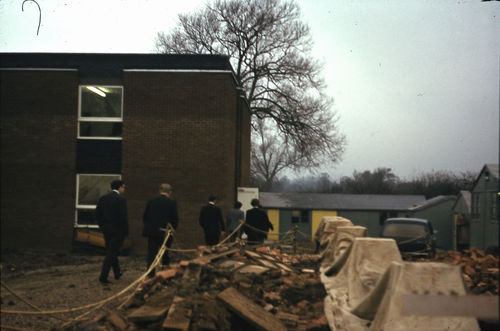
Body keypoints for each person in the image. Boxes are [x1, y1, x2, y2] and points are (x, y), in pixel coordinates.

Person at [95, 179, 128, 284]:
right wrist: (126, 231)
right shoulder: (121, 199)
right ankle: (103, 276)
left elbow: (97, 215)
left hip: (106, 230)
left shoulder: (103, 198)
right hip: (117, 230)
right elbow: (123, 217)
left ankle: (117, 272)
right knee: (111, 253)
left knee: (111, 250)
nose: (124, 189)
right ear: (119, 187)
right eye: (123, 187)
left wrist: (102, 226)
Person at [142, 183, 179, 278]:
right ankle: (164, 274)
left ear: (159, 191)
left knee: (152, 254)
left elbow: (145, 216)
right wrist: (173, 230)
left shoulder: (151, 201)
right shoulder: (171, 202)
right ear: (170, 192)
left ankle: (150, 274)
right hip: (165, 233)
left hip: (152, 232)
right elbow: (174, 218)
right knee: (165, 253)